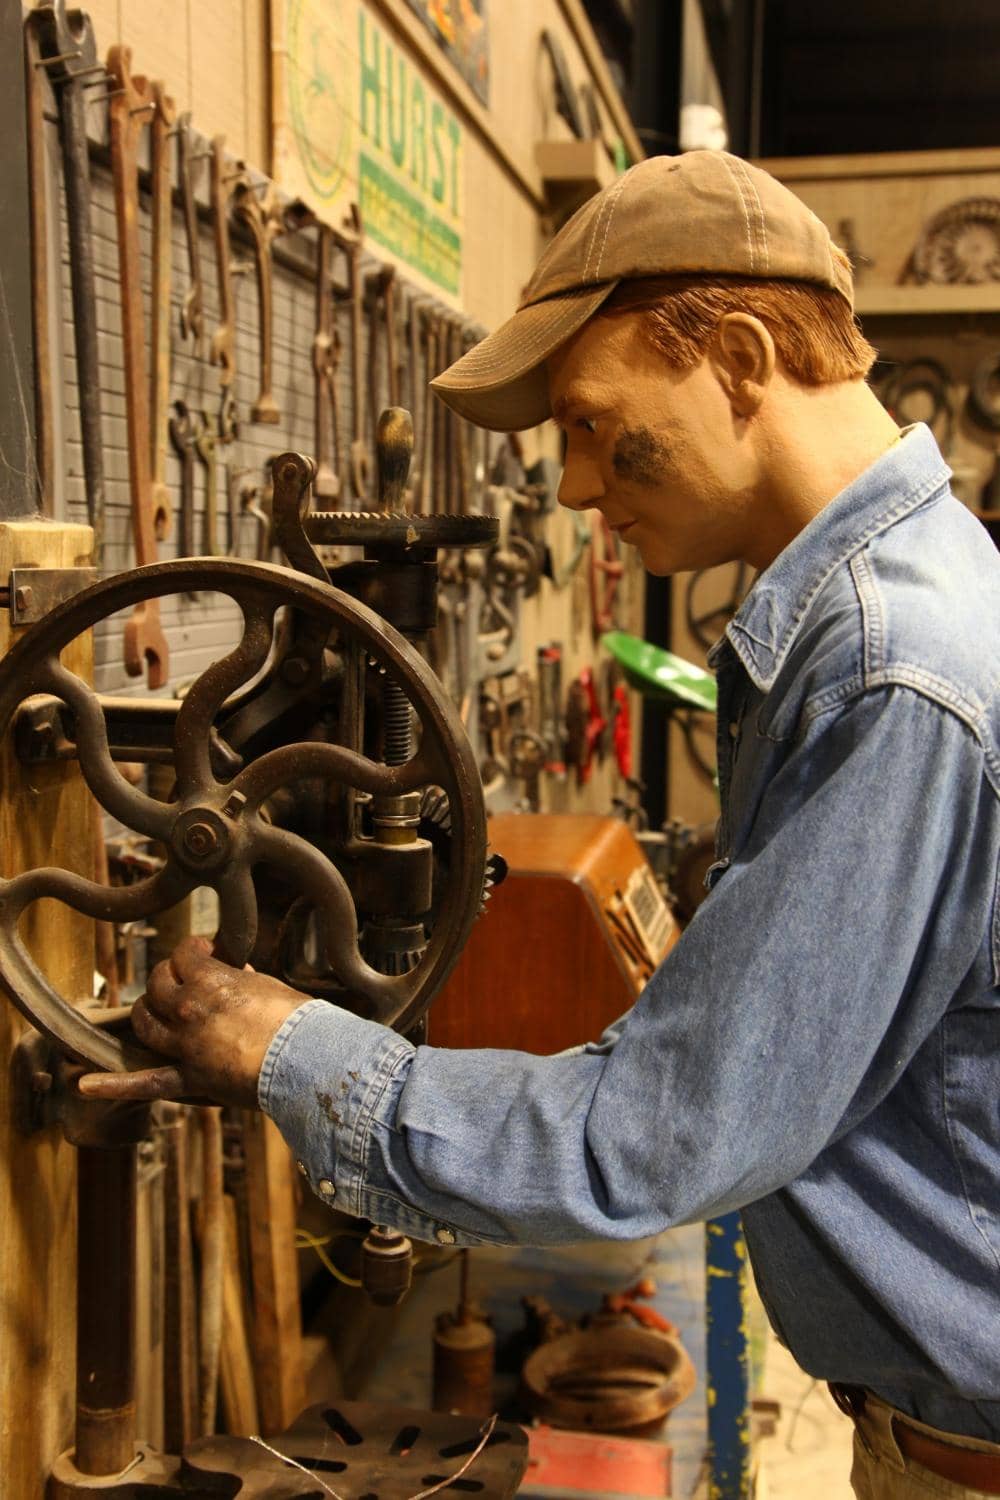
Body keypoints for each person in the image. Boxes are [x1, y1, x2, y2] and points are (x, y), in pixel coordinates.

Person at [81, 152, 1000, 1499]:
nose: (572, 486)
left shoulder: (890, 671)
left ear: (738, 358)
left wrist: (288, 1050)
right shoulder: (918, 594)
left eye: (587, 421)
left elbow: (657, 1139)